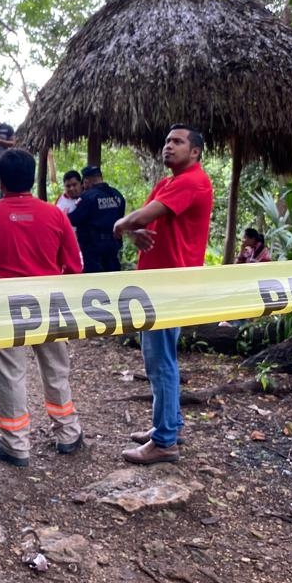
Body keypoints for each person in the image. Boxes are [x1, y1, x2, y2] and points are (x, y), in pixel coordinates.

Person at [0, 148, 84, 467]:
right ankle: (68, 434)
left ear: (0, 182)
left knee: (10, 375)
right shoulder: (55, 215)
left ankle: (16, 445)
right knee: (56, 369)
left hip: (2, 308)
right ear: (31, 178)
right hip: (50, 304)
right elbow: (75, 266)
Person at [112, 124, 213, 465]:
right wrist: (134, 230)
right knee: (158, 357)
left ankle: (165, 440)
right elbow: (144, 222)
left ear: (195, 151)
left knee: (161, 360)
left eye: (178, 142)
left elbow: (138, 217)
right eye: (168, 141)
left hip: (171, 287)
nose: (169, 146)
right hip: (156, 283)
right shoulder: (166, 183)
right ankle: (167, 425)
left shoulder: (192, 182)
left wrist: (122, 225)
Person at [68, 165, 126, 273]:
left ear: (86, 181)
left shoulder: (88, 197)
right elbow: (121, 216)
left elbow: (75, 219)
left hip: (93, 248)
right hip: (113, 245)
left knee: (95, 282)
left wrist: (64, 215)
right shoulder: (117, 195)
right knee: (113, 277)